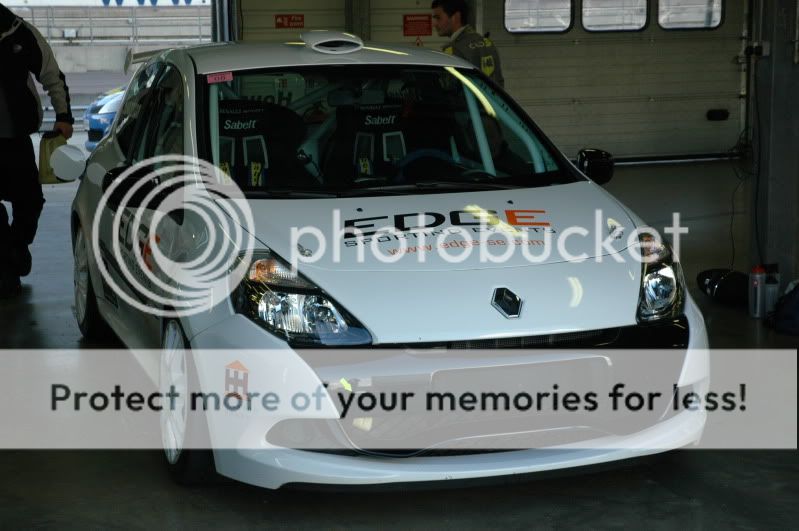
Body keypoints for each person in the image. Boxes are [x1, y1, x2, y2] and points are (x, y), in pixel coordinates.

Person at [0, 3, 73, 298]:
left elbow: (51, 74)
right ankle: (5, 264)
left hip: (17, 138)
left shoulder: (20, 32)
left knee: (30, 201)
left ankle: (17, 248)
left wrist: (64, 116)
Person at [431, 0, 504, 87]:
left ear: (456, 17)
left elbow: (450, 88)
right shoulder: (487, 43)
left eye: (438, 18)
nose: (434, 24)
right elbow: (499, 82)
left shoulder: (453, 50)